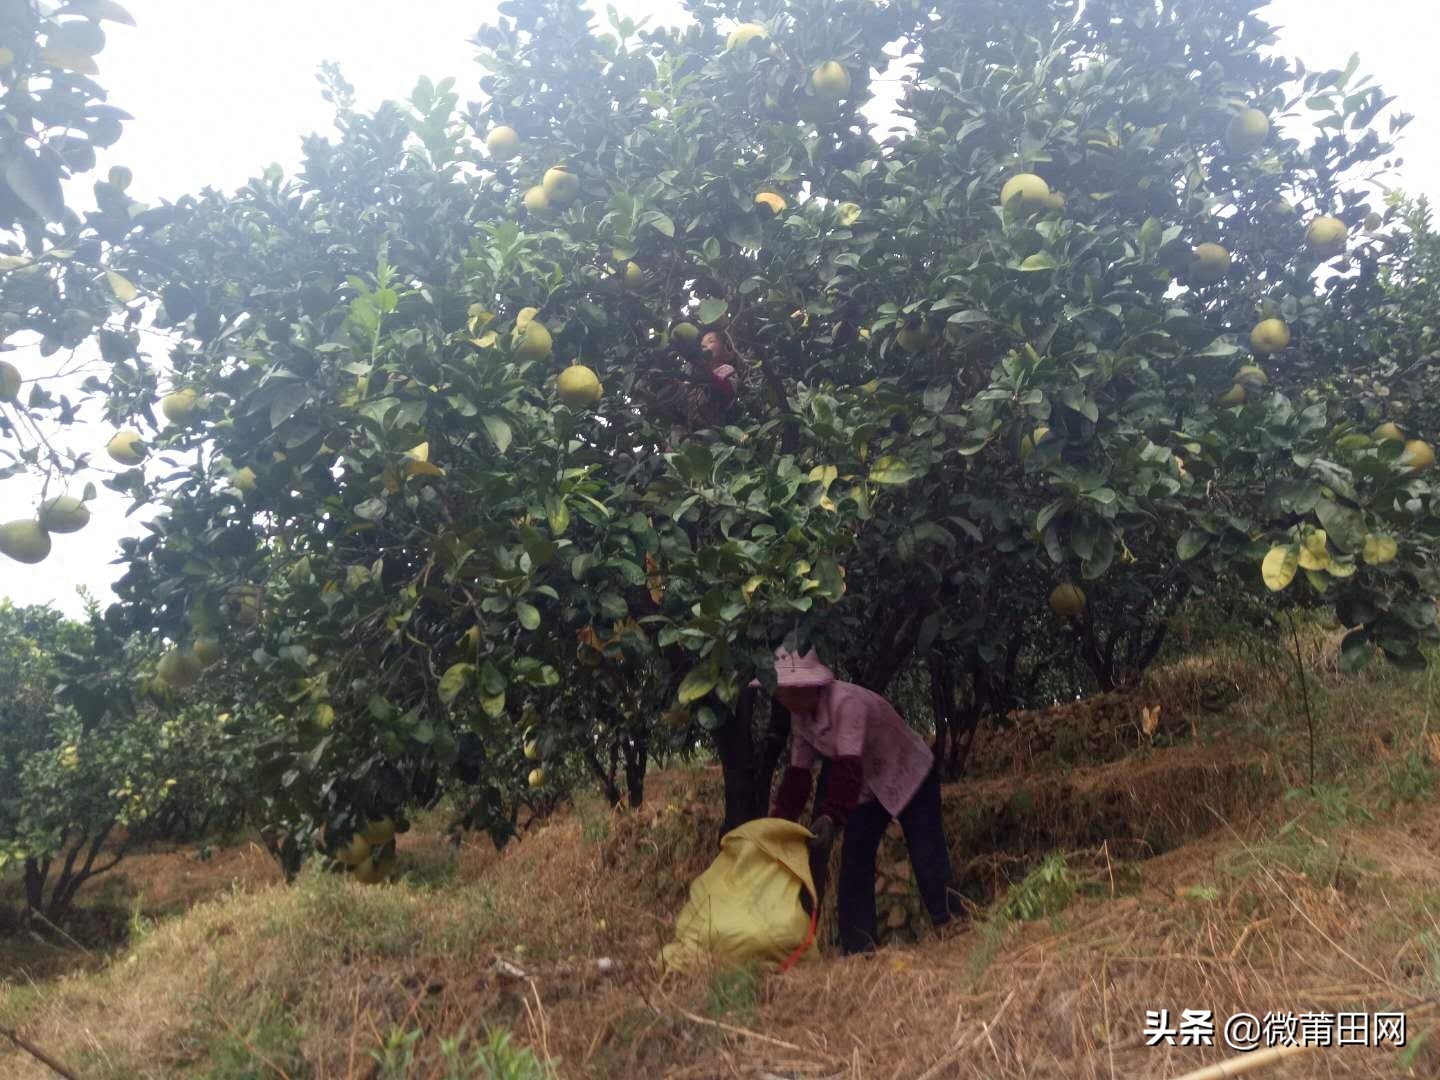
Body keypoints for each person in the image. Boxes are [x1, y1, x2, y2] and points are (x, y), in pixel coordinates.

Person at [768, 646, 957, 955]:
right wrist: (778, 821)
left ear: (804, 687)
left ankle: (952, 926)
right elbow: (798, 775)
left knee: (927, 853)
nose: (779, 696)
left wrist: (831, 817)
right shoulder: (800, 718)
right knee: (855, 860)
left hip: (908, 772)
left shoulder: (846, 703)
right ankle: (859, 949)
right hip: (868, 787)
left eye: (783, 689)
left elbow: (847, 767)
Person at [662, 330, 741, 446]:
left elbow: (727, 391)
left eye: (711, 341)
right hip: (688, 433)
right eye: (702, 344)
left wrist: (705, 371)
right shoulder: (694, 377)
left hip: (710, 433)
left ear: (726, 349)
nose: (704, 345)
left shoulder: (726, 369)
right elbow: (683, 396)